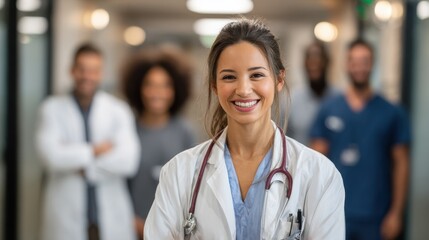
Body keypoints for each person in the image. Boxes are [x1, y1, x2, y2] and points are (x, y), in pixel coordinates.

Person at [144, 18, 345, 240]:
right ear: (215, 85)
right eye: (229, 77)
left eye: (256, 75)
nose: (243, 89)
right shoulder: (178, 173)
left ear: (279, 79)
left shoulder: (320, 175)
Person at [36, 43, 140, 240]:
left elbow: (128, 161)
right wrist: (95, 150)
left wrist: (81, 165)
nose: (87, 76)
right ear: (72, 71)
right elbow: (50, 157)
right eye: (81, 69)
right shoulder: (51, 109)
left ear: (100, 74)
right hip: (65, 216)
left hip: (110, 217)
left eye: (93, 70)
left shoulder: (118, 110)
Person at [310, 39, 410, 240]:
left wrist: (396, 213)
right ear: (346, 65)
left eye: (365, 61)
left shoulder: (392, 113)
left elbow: (402, 164)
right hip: (335, 213)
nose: (359, 67)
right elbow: (315, 164)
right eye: (354, 61)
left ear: (372, 64)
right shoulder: (329, 109)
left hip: (376, 217)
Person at [122, 48, 196, 239]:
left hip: (174, 230)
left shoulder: (185, 132)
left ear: (175, 90)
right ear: (139, 88)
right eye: (150, 85)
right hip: (130, 227)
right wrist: (132, 221)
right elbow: (118, 184)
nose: (157, 93)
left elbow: (192, 185)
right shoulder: (127, 130)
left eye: (165, 85)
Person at [286, 41, 338, 145]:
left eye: (319, 57)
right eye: (310, 58)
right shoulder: (291, 100)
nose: (314, 62)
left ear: (327, 62)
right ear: (304, 64)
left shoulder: (340, 99)